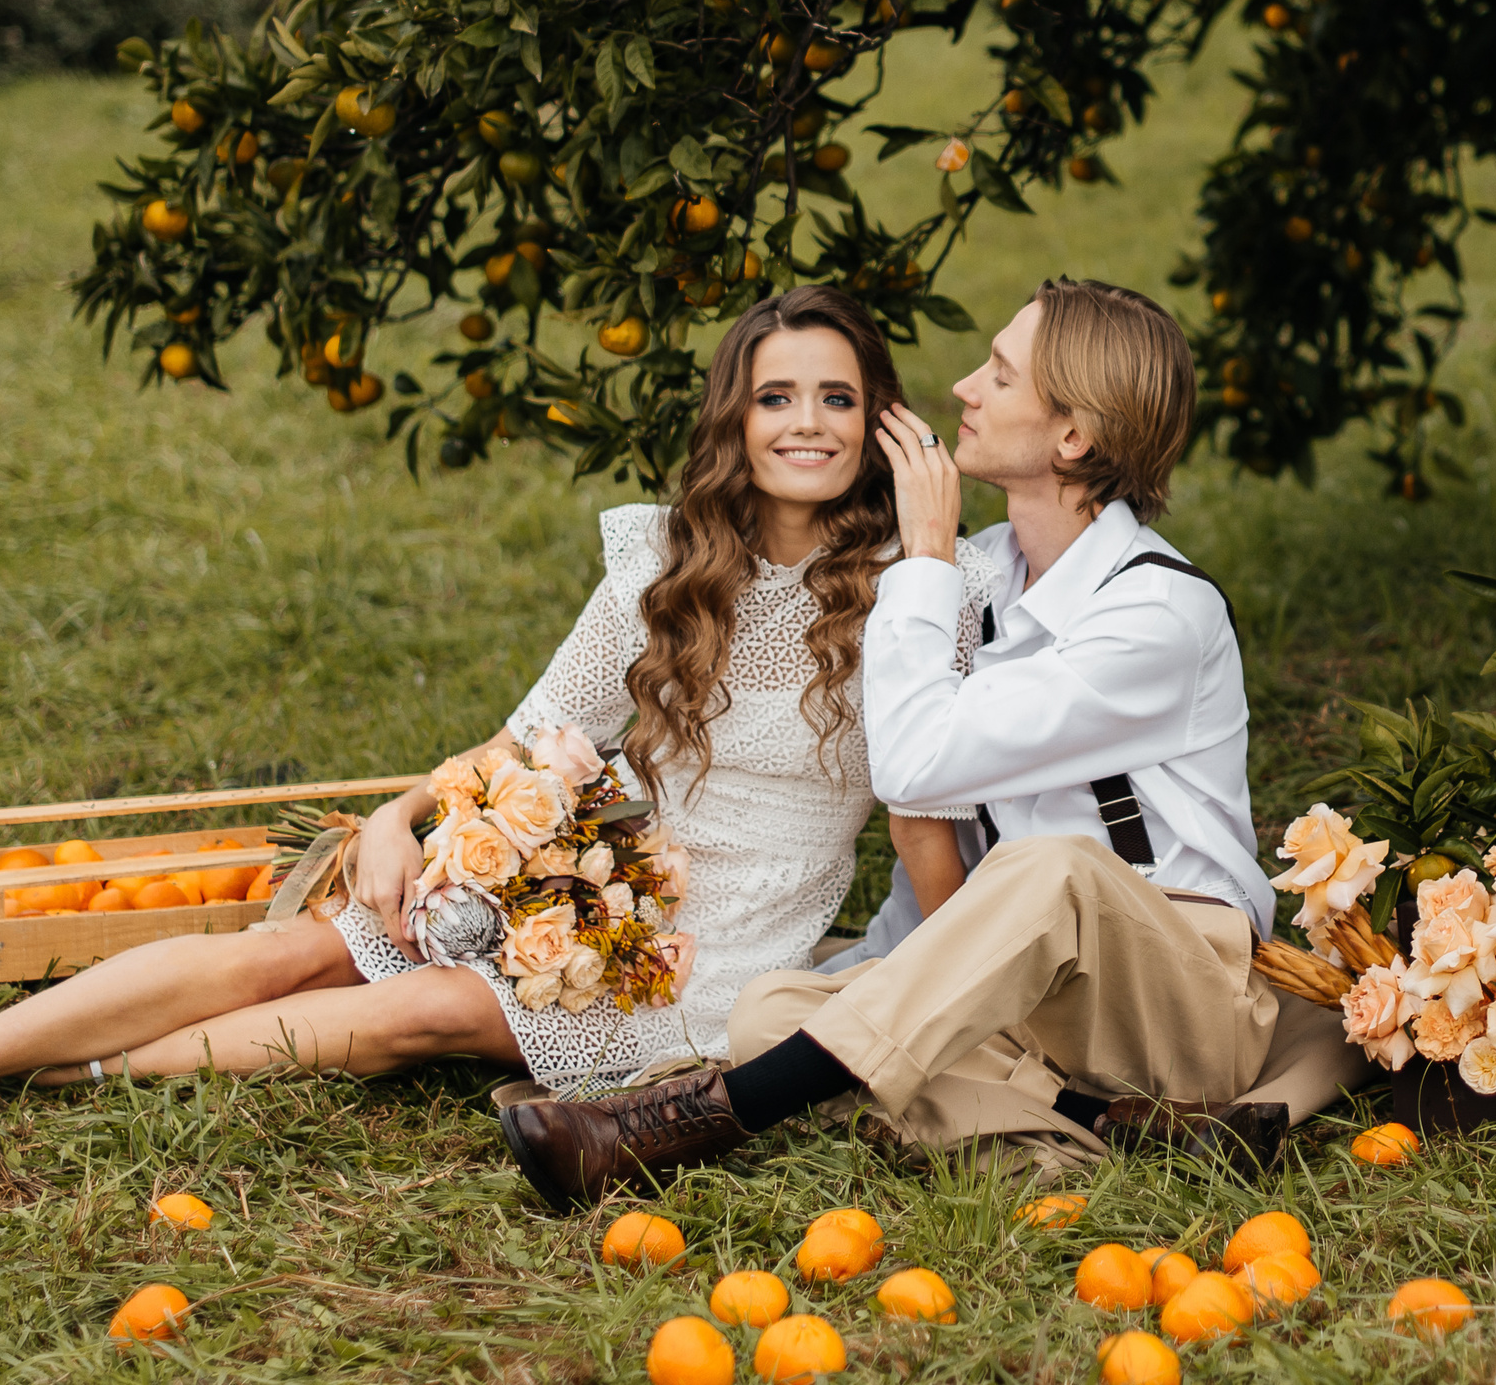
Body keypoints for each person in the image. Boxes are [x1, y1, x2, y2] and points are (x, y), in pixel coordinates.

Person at [0, 287, 992, 1153]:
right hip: (581, 882)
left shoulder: (921, 587)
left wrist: (941, 998)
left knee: (428, 1010)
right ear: (737, 418)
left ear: (880, 417)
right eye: (778, 397)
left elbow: (930, 829)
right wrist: (402, 817)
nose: (808, 424)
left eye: (837, 396)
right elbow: (525, 738)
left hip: (712, 951)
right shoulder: (665, 567)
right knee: (293, 950)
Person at [498, 279, 1368, 1207]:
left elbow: (915, 762)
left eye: (998, 373)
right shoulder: (987, 574)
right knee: (769, 1013)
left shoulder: (1153, 614)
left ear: (1072, 437)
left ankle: (698, 1117)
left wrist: (922, 561)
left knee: (1051, 868)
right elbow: (927, 818)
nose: (961, 388)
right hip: (1032, 1002)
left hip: (1173, 993)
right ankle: (1099, 1134)